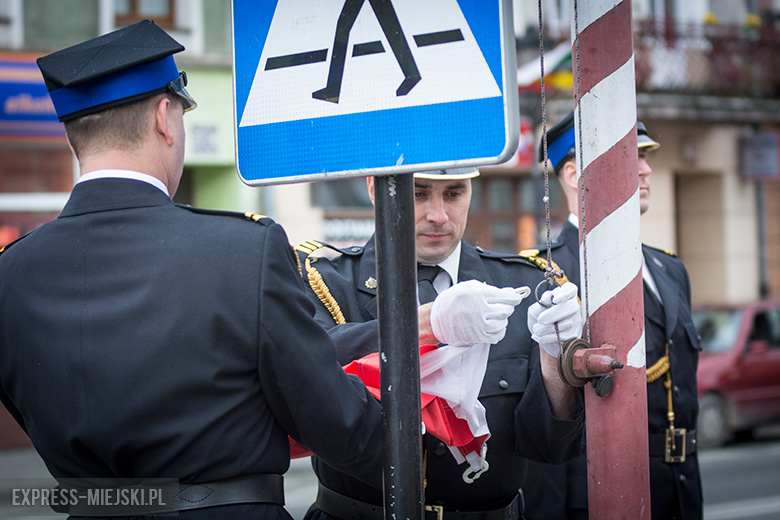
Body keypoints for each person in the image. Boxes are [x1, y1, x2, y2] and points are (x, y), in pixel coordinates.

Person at [0, 20, 398, 520]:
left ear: (73, 138)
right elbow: (333, 420)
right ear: (165, 119)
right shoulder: (244, 249)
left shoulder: (11, 274)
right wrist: (417, 453)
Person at [295, 167, 586, 520]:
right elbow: (308, 377)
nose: (438, 215)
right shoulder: (328, 281)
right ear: (374, 188)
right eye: (418, 193)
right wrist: (426, 325)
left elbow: (551, 447)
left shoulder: (518, 283)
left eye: (453, 193)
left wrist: (556, 364)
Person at [522, 112, 703, 520]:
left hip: (680, 490)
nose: (646, 169)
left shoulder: (670, 269)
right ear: (573, 175)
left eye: (645, 156)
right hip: (595, 495)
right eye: (628, 156)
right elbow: (539, 417)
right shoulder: (543, 276)